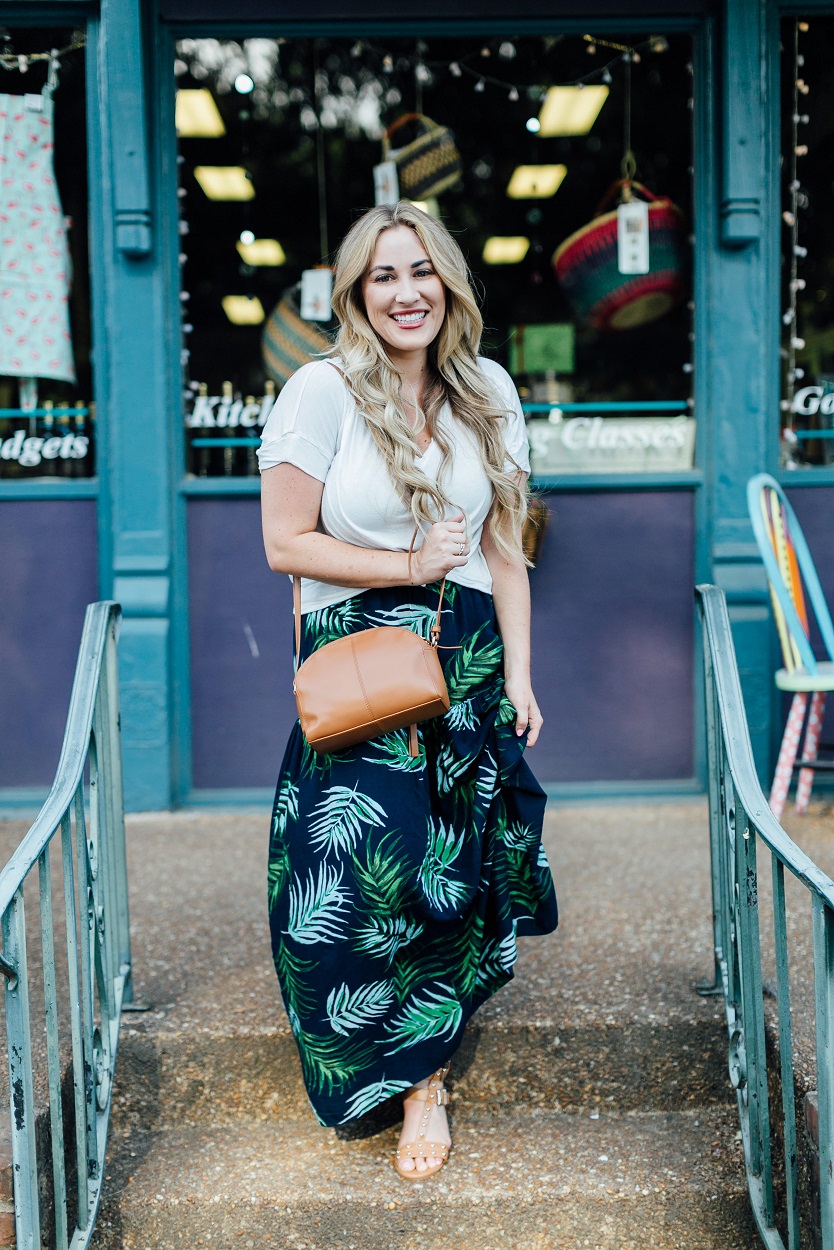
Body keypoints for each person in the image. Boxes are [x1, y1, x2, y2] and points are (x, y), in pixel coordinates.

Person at [258, 201, 558, 1179]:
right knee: (343, 883)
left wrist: (519, 672)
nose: (405, 292)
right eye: (384, 275)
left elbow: (507, 548)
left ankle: (427, 1076)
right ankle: (368, 1062)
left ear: (450, 284)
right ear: (356, 292)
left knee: (445, 879)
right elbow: (283, 541)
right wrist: (404, 562)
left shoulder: (490, 390)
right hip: (366, 657)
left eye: (422, 271)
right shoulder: (321, 390)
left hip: (466, 656)